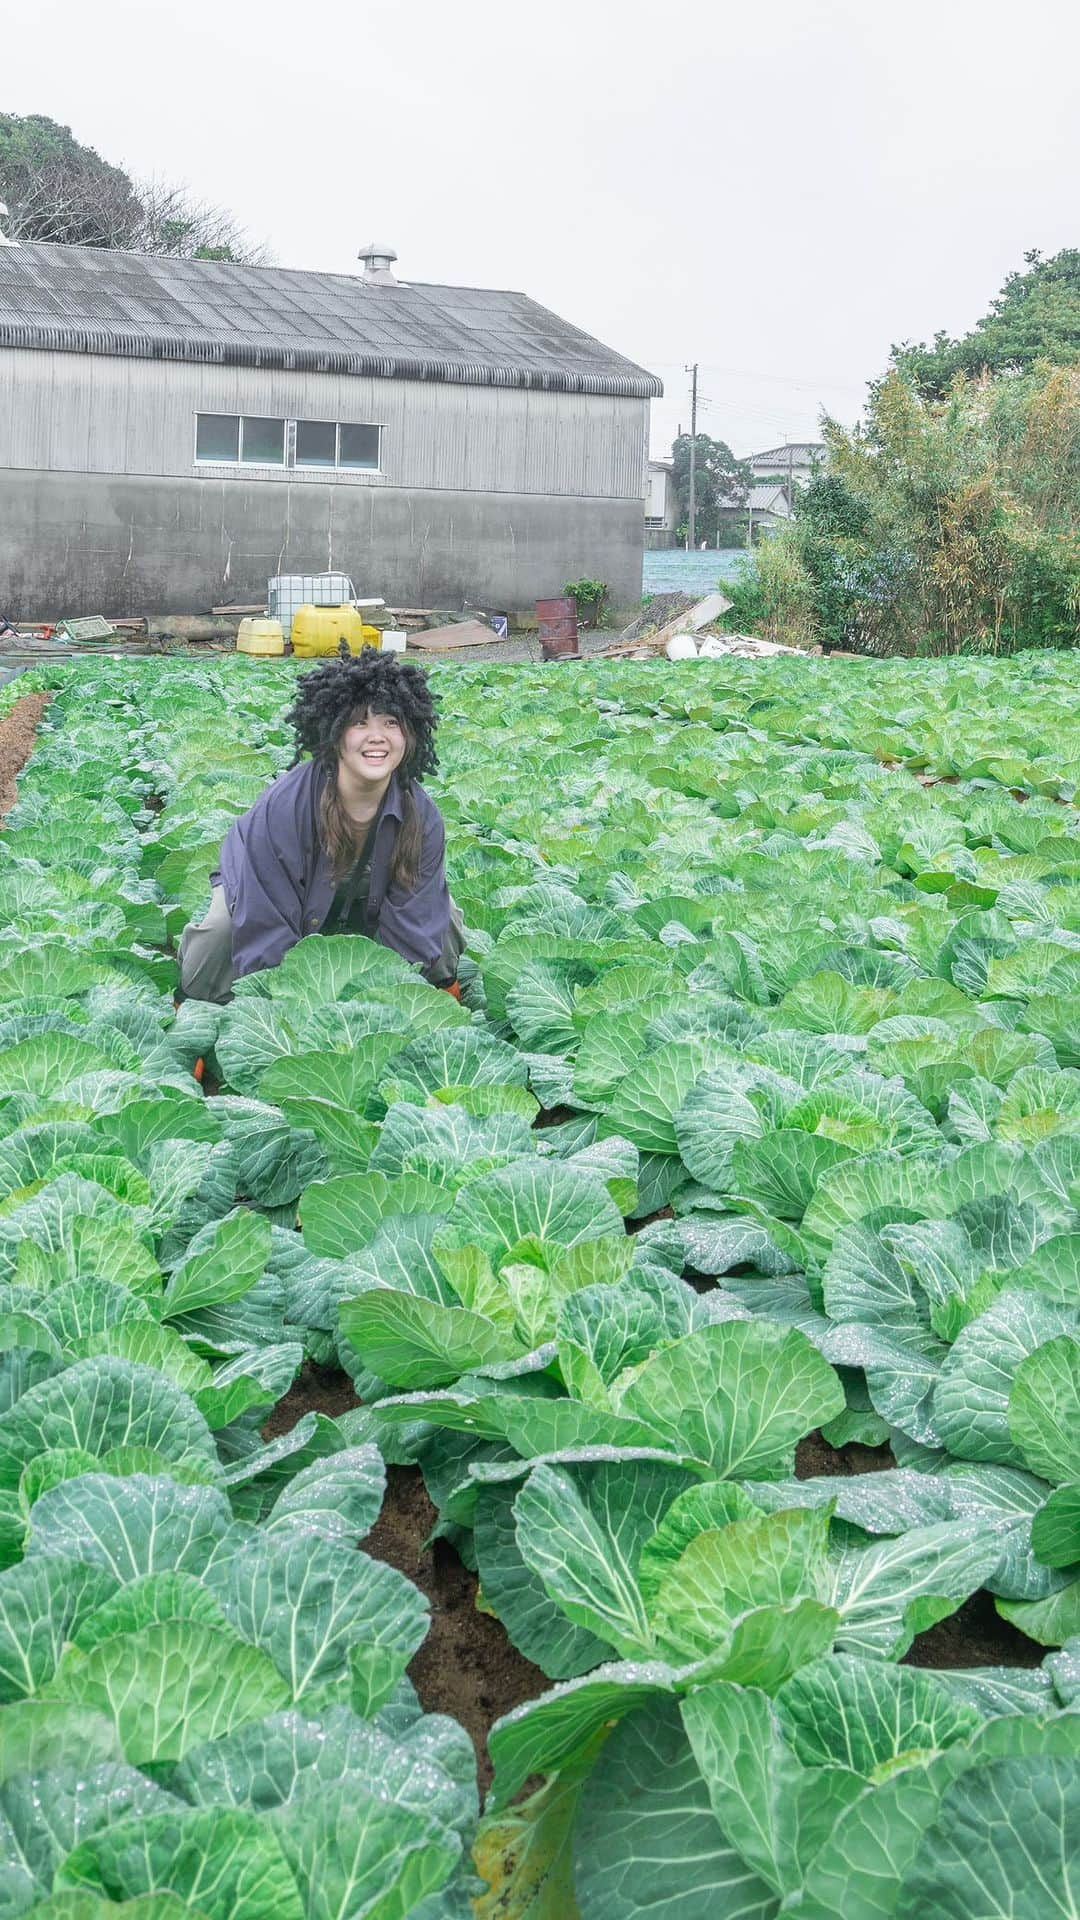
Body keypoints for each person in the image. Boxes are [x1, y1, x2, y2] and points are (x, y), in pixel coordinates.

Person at [177, 649, 464, 1003]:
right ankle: (193, 1009)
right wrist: (298, 1006)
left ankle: (446, 1000)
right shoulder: (284, 809)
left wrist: (388, 1004)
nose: (377, 736)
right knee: (220, 930)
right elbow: (266, 924)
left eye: (391, 722)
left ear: (411, 734)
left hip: (361, 903)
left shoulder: (421, 816)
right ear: (334, 732)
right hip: (263, 896)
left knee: (445, 917)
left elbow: (415, 926)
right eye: (360, 723)